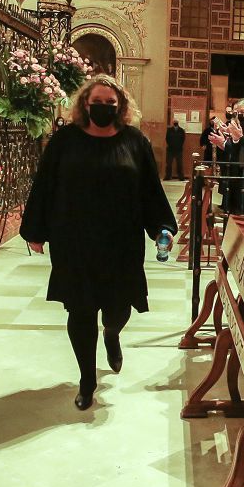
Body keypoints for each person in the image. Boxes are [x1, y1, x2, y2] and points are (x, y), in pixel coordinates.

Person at [20, 74, 177, 411]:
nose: (103, 108)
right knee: (80, 309)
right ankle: (87, 379)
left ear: (120, 106)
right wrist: (35, 229)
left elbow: (150, 189)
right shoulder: (65, 141)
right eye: (97, 103)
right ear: (84, 105)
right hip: (74, 240)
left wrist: (162, 227)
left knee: (118, 309)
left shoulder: (135, 141)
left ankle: (112, 333)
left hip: (121, 242)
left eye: (110, 104)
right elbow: (45, 185)